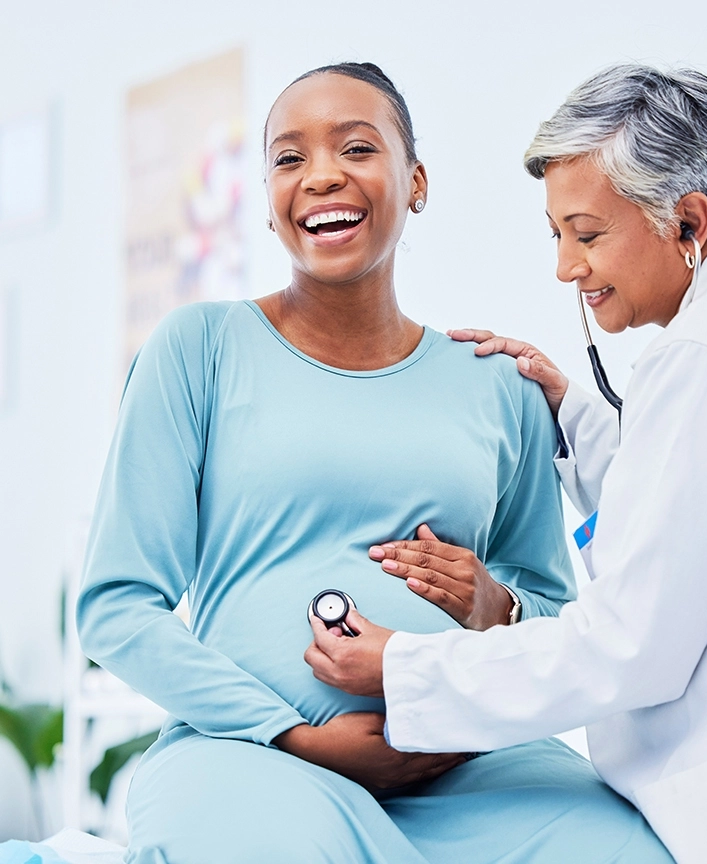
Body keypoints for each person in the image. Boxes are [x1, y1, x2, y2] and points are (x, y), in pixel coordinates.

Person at [306, 64, 707, 864]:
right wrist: (571, 413)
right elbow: (704, 521)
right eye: (556, 235)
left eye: (587, 234)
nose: (566, 267)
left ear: (688, 222)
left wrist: (405, 668)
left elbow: (630, 646)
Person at [76, 63, 671, 863]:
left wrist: (493, 604)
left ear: (415, 182)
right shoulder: (199, 350)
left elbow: (556, 619)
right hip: (252, 755)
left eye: (356, 148)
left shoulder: (498, 384)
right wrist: (292, 733)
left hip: (475, 762)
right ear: (269, 202)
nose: (321, 175)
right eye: (289, 159)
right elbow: (117, 606)